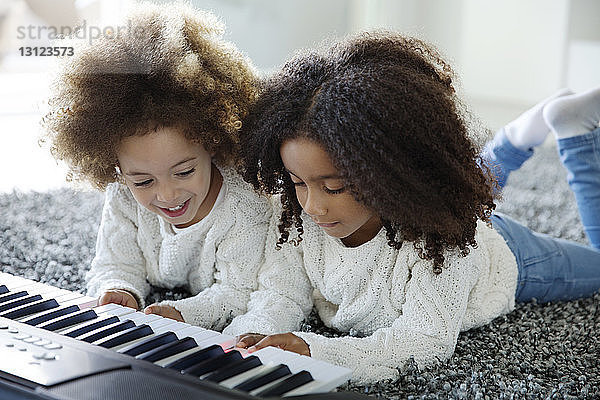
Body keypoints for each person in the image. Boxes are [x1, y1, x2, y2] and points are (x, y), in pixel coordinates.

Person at [222, 32, 600, 383]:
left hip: (508, 254)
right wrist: (248, 338)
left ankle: (574, 133)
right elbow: (281, 293)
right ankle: (516, 138)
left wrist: (314, 349)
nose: (313, 206)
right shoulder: (300, 220)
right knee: (463, 183)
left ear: (388, 174)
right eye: (298, 182)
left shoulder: (443, 247)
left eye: (334, 187)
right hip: (443, 210)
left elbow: (423, 342)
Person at [42, 2, 271, 330]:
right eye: (143, 181)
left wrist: (183, 313)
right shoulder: (122, 193)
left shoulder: (244, 209)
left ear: (212, 142)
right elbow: (113, 263)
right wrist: (119, 289)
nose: (167, 194)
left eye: (184, 172)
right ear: (115, 166)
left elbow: (240, 292)